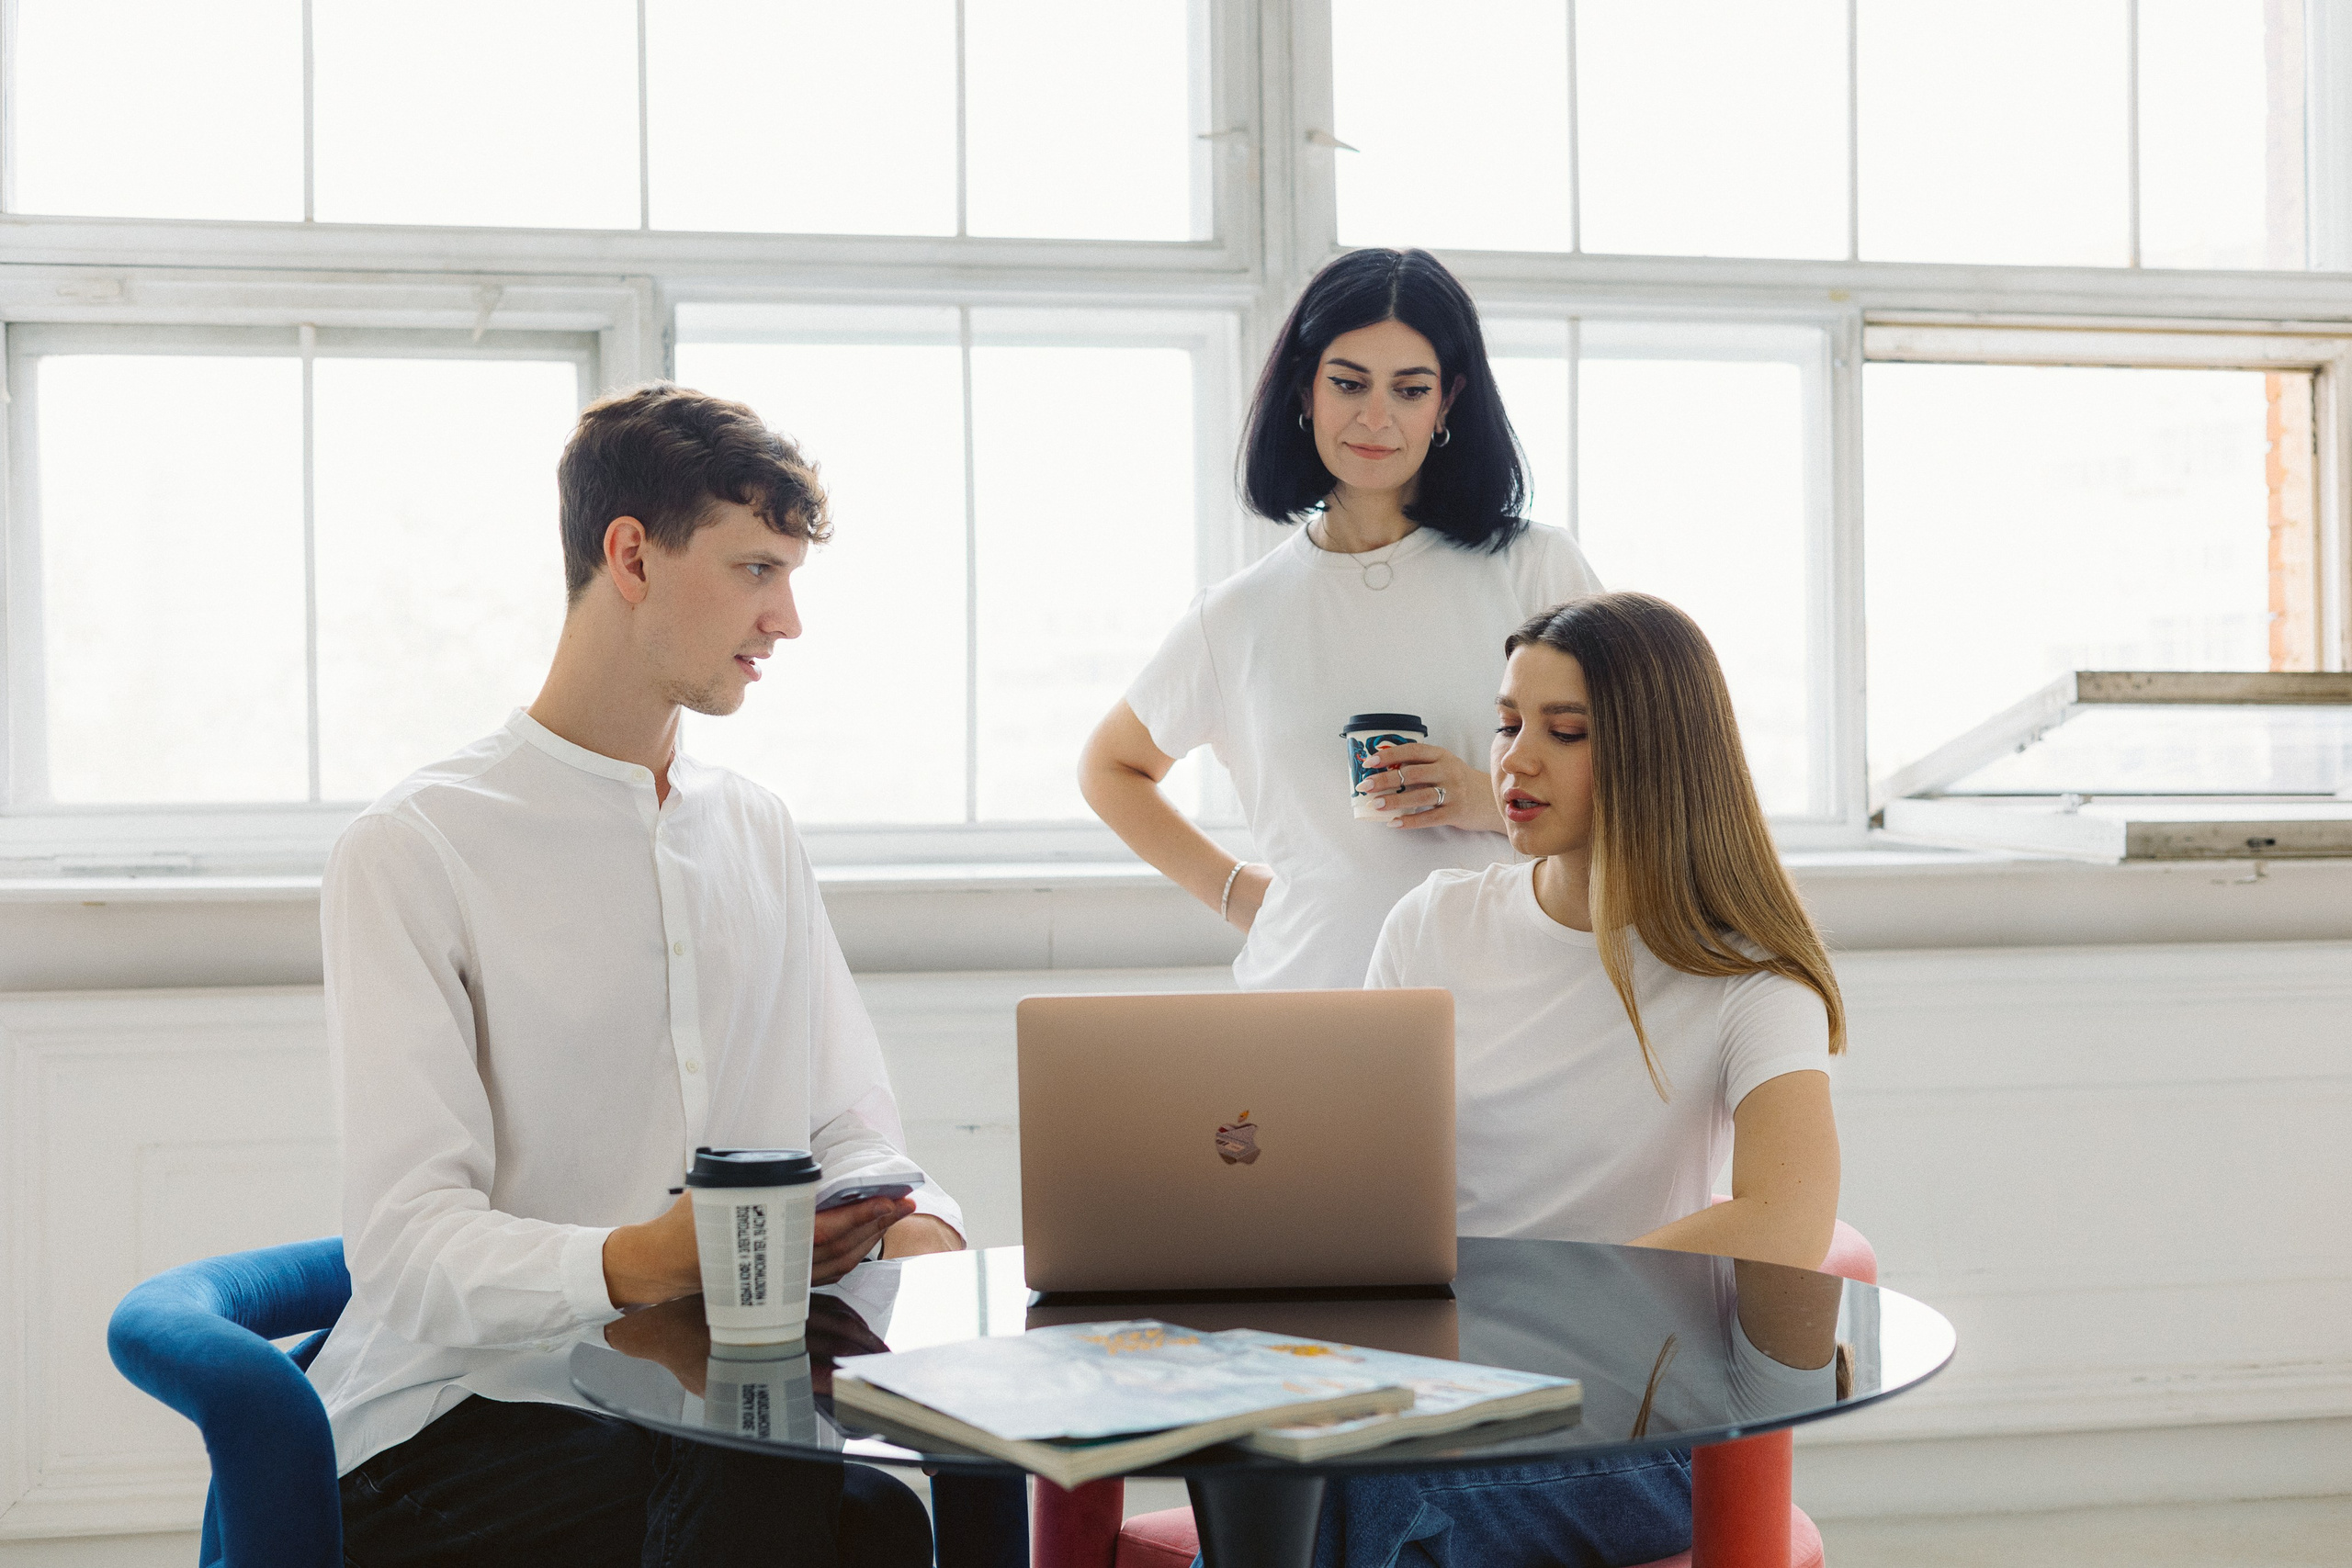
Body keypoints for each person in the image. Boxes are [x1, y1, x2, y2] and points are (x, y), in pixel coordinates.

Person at [308, 384, 966, 1567]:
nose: (788, 621)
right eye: (756, 569)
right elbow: (406, 1247)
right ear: (631, 556)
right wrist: (647, 1260)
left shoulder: (756, 830)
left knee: (885, 1507)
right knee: (777, 1508)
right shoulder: (416, 847)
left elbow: (851, 1128)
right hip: (454, 1424)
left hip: (713, 1403)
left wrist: (907, 1224)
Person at [1319, 591, 1847, 1567]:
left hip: (1633, 1426)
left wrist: (1532, 1311)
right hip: (1432, 1396)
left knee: (1352, 1493)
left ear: (1657, 756)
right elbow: (1362, 1179)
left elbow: (1786, 1216)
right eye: (1508, 722)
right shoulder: (1432, 924)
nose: (1514, 759)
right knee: (1288, 1467)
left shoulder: (1748, 981)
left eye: (1563, 732)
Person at [1080, 247, 1601, 989]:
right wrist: (1234, 891)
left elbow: (1647, 777)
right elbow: (1109, 767)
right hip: (1307, 1000)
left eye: (1410, 389)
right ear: (1305, 391)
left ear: (1447, 401)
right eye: (1348, 383)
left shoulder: (1537, 570)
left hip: (1509, 999)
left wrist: (1483, 798)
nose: (1375, 418)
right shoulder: (1237, 615)